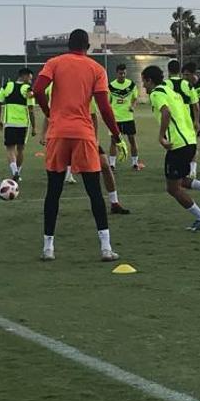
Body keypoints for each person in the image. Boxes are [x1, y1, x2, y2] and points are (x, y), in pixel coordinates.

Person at [32, 29, 123, 261]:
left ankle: (48, 248)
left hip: (58, 133)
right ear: (88, 46)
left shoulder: (54, 62)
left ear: (68, 45)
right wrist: (116, 134)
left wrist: (49, 112)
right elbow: (104, 107)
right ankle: (105, 247)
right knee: (94, 191)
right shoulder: (96, 69)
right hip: (84, 134)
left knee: (53, 192)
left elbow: (38, 90)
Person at [140, 65, 200, 231]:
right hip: (189, 142)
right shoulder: (171, 91)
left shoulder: (157, 93)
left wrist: (161, 136)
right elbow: (190, 108)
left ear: (149, 80)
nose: (143, 86)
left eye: (144, 81)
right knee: (180, 180)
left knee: (172, 188)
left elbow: (166, 113)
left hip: (178, 145)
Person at [40, 83, 130, 215]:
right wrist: (44, 134)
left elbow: (93, 116)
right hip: (61, 136)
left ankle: (114, 203)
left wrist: (94, 138)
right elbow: (48, 114)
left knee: (104, 165)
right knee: (56, 175)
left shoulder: (83, 88)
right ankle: (52, 210)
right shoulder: (54, 87)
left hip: (83, 136)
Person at [0, 67, 36, 181]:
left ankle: (14, 171)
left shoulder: (7, 86)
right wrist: (34, 127)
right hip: (23, 124)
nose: (30, 81)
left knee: (10, 149)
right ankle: (18, 172)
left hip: (9, 123)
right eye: (30, 78)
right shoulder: (28, 89)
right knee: (21, 149)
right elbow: (31, 109)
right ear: (24, 76)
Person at [165, 59, 200, 177]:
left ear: (168, 71)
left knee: (173, 144)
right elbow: (196, 105)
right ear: (179, 71)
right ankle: (192, 170)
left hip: (173, 120)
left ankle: (176, 168)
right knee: (191, 142)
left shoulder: (165, 85)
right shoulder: (187, 85)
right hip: (187, 119)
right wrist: (196, 121)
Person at [107, 63, 137, 170]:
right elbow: (108, 102)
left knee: (132, 140)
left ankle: (135, 163)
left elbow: (135, 98)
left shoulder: (131, 85)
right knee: (114, 141)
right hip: (116, 119)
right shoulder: (111, 86)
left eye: (124, 73)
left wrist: (133, 106)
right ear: (117, 73)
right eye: (120, 73)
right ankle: (112, 164)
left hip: (128, 118)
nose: (122, 75)